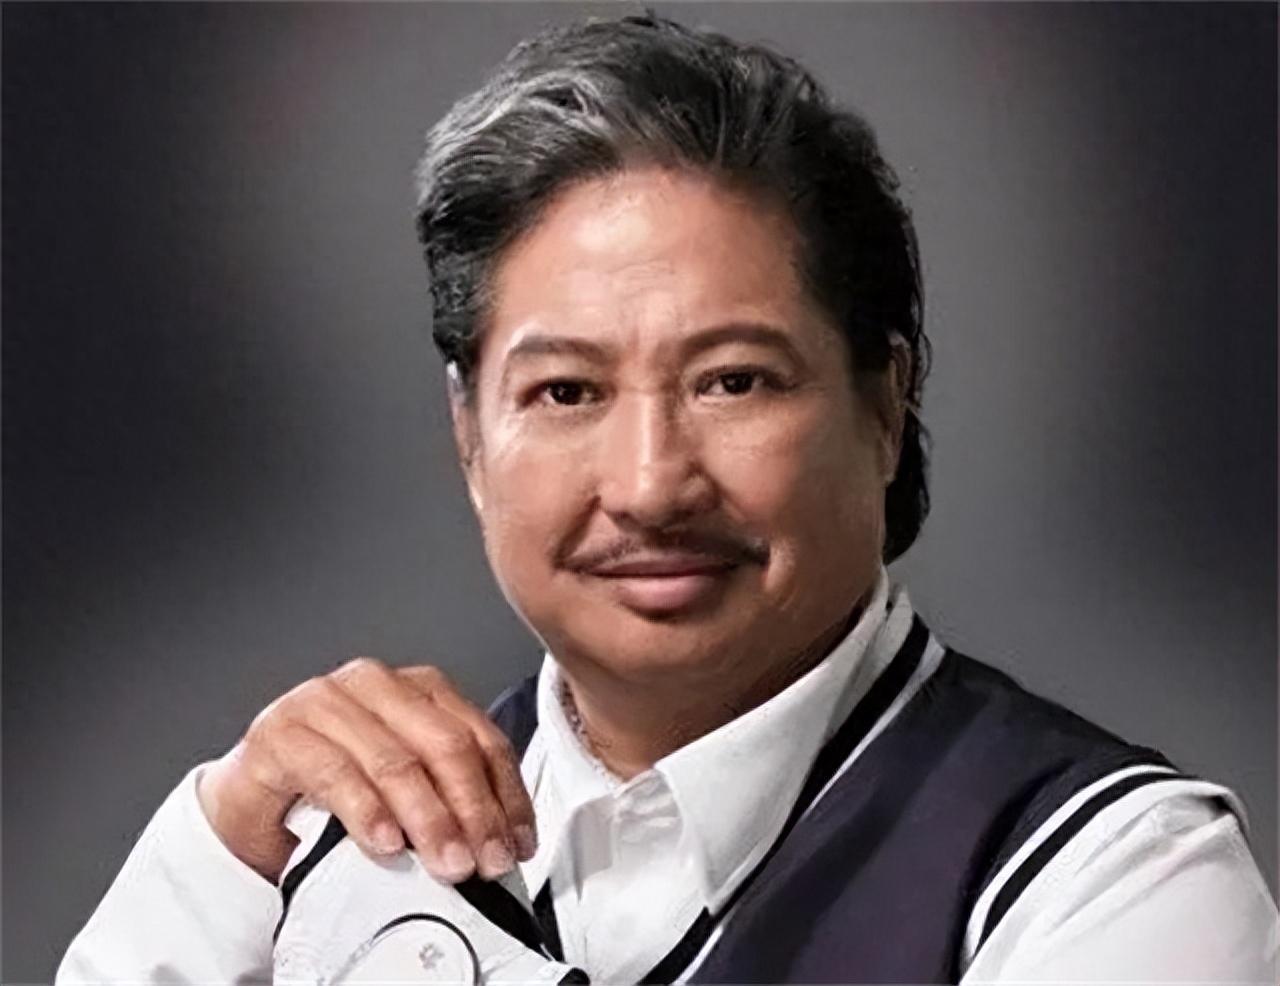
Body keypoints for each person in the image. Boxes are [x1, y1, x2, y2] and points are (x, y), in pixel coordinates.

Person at [57, 12, 1277, 984]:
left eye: (732, 380)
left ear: (883, 400)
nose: (649, 483)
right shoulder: (323, 843)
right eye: (566, 391)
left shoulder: (1113, 873)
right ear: (467, 433)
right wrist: (225, 849)